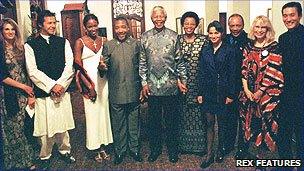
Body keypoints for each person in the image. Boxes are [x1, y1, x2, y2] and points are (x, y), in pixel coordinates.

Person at [24, 10, 76, 169]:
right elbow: (32, 71)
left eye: (54, 22)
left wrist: (60, 85)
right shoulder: (30, 45)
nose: (53, 25)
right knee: (45, 128)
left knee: (62, 124)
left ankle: (65, 150)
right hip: (43, 92)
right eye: (49, 23)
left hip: (62, 90)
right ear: (40, 24)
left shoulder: (63, 42)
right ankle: (45, 155)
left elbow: (70, 66)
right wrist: (52, 86)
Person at [139, 6, 185, 163]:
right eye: (155, 16)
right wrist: (144, 83)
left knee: (172, 122)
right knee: (154, 122)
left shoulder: (173, 36)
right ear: (152, 18)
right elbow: (142, 62)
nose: (158, 19)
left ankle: (173, 151)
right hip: (152, 87)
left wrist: (182, 81)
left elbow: (180, 61)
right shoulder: (144, 37)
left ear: (165, 18)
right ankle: (155, 149)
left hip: (171, 87)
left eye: (161, 16)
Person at [99, 16, 142, 165]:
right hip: (116, 92)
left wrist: (143, 88)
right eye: (117, 28)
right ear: (114, 29)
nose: (121, 30)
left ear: (128, 28)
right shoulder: (108, 46)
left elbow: (141, 68)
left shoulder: (136, 44)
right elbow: (103, 68)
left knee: (134, 123)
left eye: (123, 27)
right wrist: (102, 68)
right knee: (118, 124)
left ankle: (134, 149)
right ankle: (120, 151)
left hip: (134, 89)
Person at [239, 15, 283, 160]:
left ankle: (266, 158)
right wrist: (246, 90)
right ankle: (256, 156)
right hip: (249, 93)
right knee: (252, 125)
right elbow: (244, 69)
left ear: (268, 29)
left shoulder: (274, 46)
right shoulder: (248, 46)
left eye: (263, 27)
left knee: (266, 126)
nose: (259, 30)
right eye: (257, 27)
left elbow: (273, 71)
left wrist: (259, 92)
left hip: (267, 95)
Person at [74, 13, 113, 163]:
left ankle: (104, 144)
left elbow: (108, 61)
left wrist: (105, 66)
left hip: (104, 82)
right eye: (89, 26)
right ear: (84, 27)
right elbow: (78, 66)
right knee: (92, 115)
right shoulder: (80, 42)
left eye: (95, 25)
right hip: (88, 82)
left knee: (104, 113)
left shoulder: (104, 40)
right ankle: (95, 147)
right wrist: (89, 86)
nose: (93, 28)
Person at [197, 21, 236, 168]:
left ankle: (220, 150)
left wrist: (231, 94)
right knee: (209, 123)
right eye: (211, 33)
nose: (213, 35)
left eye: (216, 33)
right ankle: (209, 154)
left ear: (221, 34)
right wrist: (200, 92)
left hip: (222, 92)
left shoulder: (229, 50)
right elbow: (200, 72)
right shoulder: (205, 50)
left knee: (222, 123)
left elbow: (233, 74)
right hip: (208, 92)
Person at [0, 18, 36, 170]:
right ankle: (17, 162)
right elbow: (2, 76)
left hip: (24, 92)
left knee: (26, 126)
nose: (10, 32)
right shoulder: (1, 50)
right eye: (7, 29)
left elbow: (28, 72)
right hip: (9, 94)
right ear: (2, 32)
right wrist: (24, 87)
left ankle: (27, 158)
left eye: (12, 29)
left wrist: (30, 93)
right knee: (13, 129)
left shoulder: (21, 48)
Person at [177, 11, 208, 155]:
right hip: (181, 83)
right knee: (183, 113)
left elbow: (208, 62)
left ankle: (199, 147)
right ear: (182, 24)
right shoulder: (177, 40)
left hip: (199, 83)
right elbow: (172, 62)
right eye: (186, 23)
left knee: (198, 114)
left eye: (192, 23)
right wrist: (178, 80)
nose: (189, 26)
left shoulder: (204, 40)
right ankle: (183, 146)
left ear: (196, 25)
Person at [278, 2, 304, 166]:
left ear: (299, 15)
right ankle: (285, 166)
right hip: (286, 93)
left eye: (292, 15)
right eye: (285, 15)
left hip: (302, 93)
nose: (288, 19)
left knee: (301, 133)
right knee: (284, 132)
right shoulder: (283, 38)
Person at [224, 14, 251, 158]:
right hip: (228, 87)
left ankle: (242, 149)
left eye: (238, 25)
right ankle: (228, 146)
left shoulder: (249, 42)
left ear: (243, 25)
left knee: (244, 120)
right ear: (229, 26)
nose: (235, 29)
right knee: (229, 119)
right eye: (232, 25)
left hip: (243, 87)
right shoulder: (224, 40)